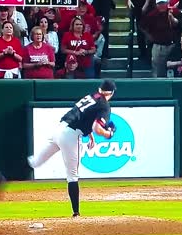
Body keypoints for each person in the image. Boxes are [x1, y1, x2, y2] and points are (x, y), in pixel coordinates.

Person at [27, 80, 118, 217]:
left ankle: (3, 175)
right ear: (111, 93)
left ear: (99, 89)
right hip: (70, 135)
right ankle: (76, 213)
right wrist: (108, 134)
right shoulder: (104, 105)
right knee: (72, 175)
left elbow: (84, 116)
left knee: (35, 162)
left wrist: (90, 135)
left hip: (59, 129)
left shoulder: (91, 96)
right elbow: (97, 128)